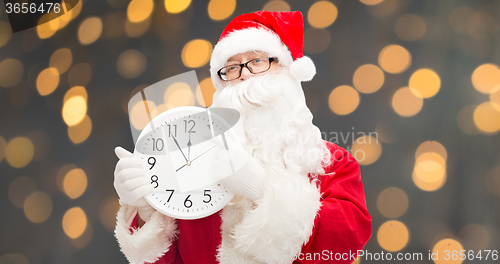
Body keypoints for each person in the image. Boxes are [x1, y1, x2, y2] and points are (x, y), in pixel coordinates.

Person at [113, 11, 372, 264]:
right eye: (233, 68)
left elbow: (345, 243)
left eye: (258, 61)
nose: (245, 74)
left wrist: (259, 188)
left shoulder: (333, 163)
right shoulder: (190, 163)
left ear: (287, 70)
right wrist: (146, 210)